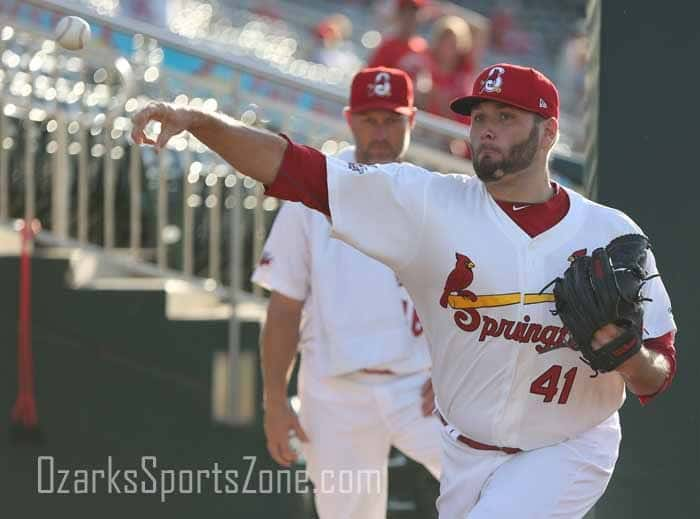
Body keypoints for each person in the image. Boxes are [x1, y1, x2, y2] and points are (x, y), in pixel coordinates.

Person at [131, 62, 678, 518]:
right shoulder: (429, 206)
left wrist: (630, 358)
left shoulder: (609, 233)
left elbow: (660, 372)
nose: (486, 128)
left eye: (506, 118)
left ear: (549, 132)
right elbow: (295, 169)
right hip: (464, 452)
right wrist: (198, 120)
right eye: (479, 117)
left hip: (569, 446)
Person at [250, 67, 441, 519]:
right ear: (350, 119)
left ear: (412, 120)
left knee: (494, 487)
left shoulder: (438, 196)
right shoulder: (312, 195)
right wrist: (275, 401)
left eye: (392, 119)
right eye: (371, 119)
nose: (381, 131)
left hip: (422, 386)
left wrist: (455, 372)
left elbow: (467, 304)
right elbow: (284, 307)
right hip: (335, 389)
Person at [367, 0, 429, 79]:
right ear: (398, 14)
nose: (409, 16)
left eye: (413, 12)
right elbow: (370, 77)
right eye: (405, 11)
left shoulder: (422, 47)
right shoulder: (387, 46)